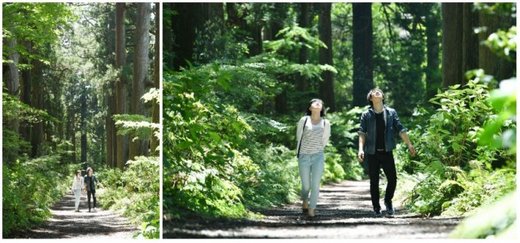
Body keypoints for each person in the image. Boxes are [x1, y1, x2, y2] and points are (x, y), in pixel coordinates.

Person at [358, 88, 416, 217]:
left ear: (383, 97)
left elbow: (400, 128)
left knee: (393, 179)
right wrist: (361, 149)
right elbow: (362, 133)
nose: (377, 92)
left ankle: (388, 201)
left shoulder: (391, 113)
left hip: (387, 151)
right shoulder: (366, 115)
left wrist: (409, 144)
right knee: (374, 181)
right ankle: (376, 207)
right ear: (371, 98)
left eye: (379, 91)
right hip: (372, 152)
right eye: (374, 92)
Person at [296, 98, 331, 217]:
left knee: (315, 184)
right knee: (306, 185)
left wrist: (317, 150)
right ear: (310, 107)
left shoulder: (325, 123)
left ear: (322, 108)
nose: (317, 103)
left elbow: (325, 140)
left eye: (320, 103)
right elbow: (298, 137)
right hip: (304, 156)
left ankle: (312, 209)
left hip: (318, 156)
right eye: (314, 102)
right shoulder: (304, 120)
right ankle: (305, 200)